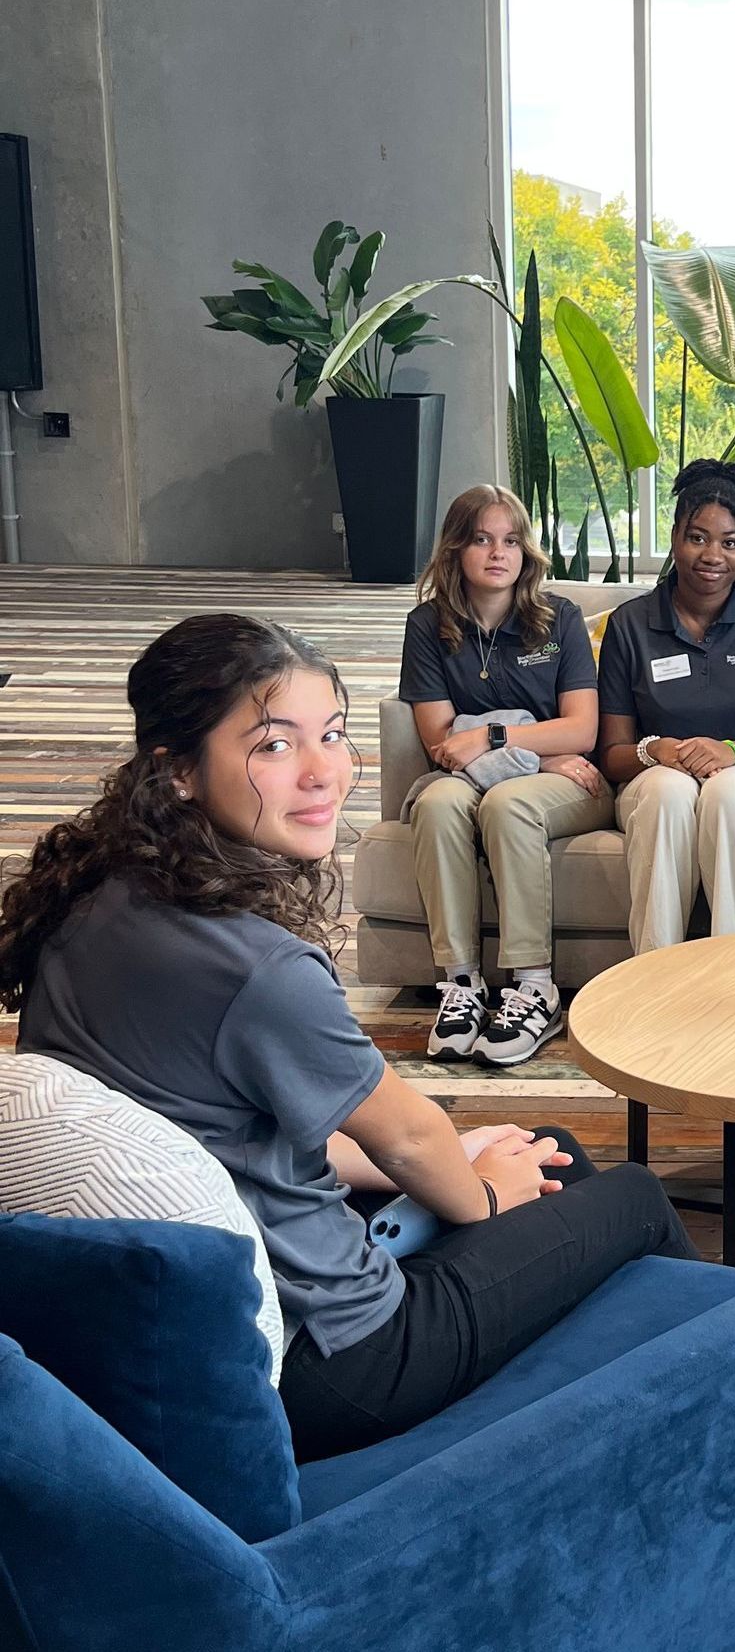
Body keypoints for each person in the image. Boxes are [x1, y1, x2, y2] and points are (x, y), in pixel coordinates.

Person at [0, 614, 698, 1461]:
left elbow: (244, 1127)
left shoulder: (93, 898)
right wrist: (477, 1195)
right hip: (343, 1357)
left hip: (241, 1271)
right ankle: (713, 1408)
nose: (322, 771)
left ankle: (595, 1395)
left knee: (540, 1150)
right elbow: (406, 1133)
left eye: (330, 735)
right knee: (632, 1199)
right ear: (177, 770)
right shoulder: (259, 969)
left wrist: (470, 1155)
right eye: (272, 745)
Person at [400, 485, 608, 1067]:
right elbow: (440, 741)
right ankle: (462, 985)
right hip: (529, 770)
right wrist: (537, 749)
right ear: (455, 551)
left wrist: (490, 736)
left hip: (570, 785)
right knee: (438, 804)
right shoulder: (427, 626)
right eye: (482, 539)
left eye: (511, 540)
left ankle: (534, 987)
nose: (498, 553)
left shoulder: (558, 619)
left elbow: (582, 733)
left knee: (507, 805)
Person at [598, 460, 735, 952]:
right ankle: (656, 976)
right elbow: (611, 753)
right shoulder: (631, 624)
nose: (712, 555)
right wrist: (656, 751)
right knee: (667, 792)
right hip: (659, 778)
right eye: (697, 537)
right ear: (675, 537)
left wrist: (732, 753)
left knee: (728, 793)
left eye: (730, 542)